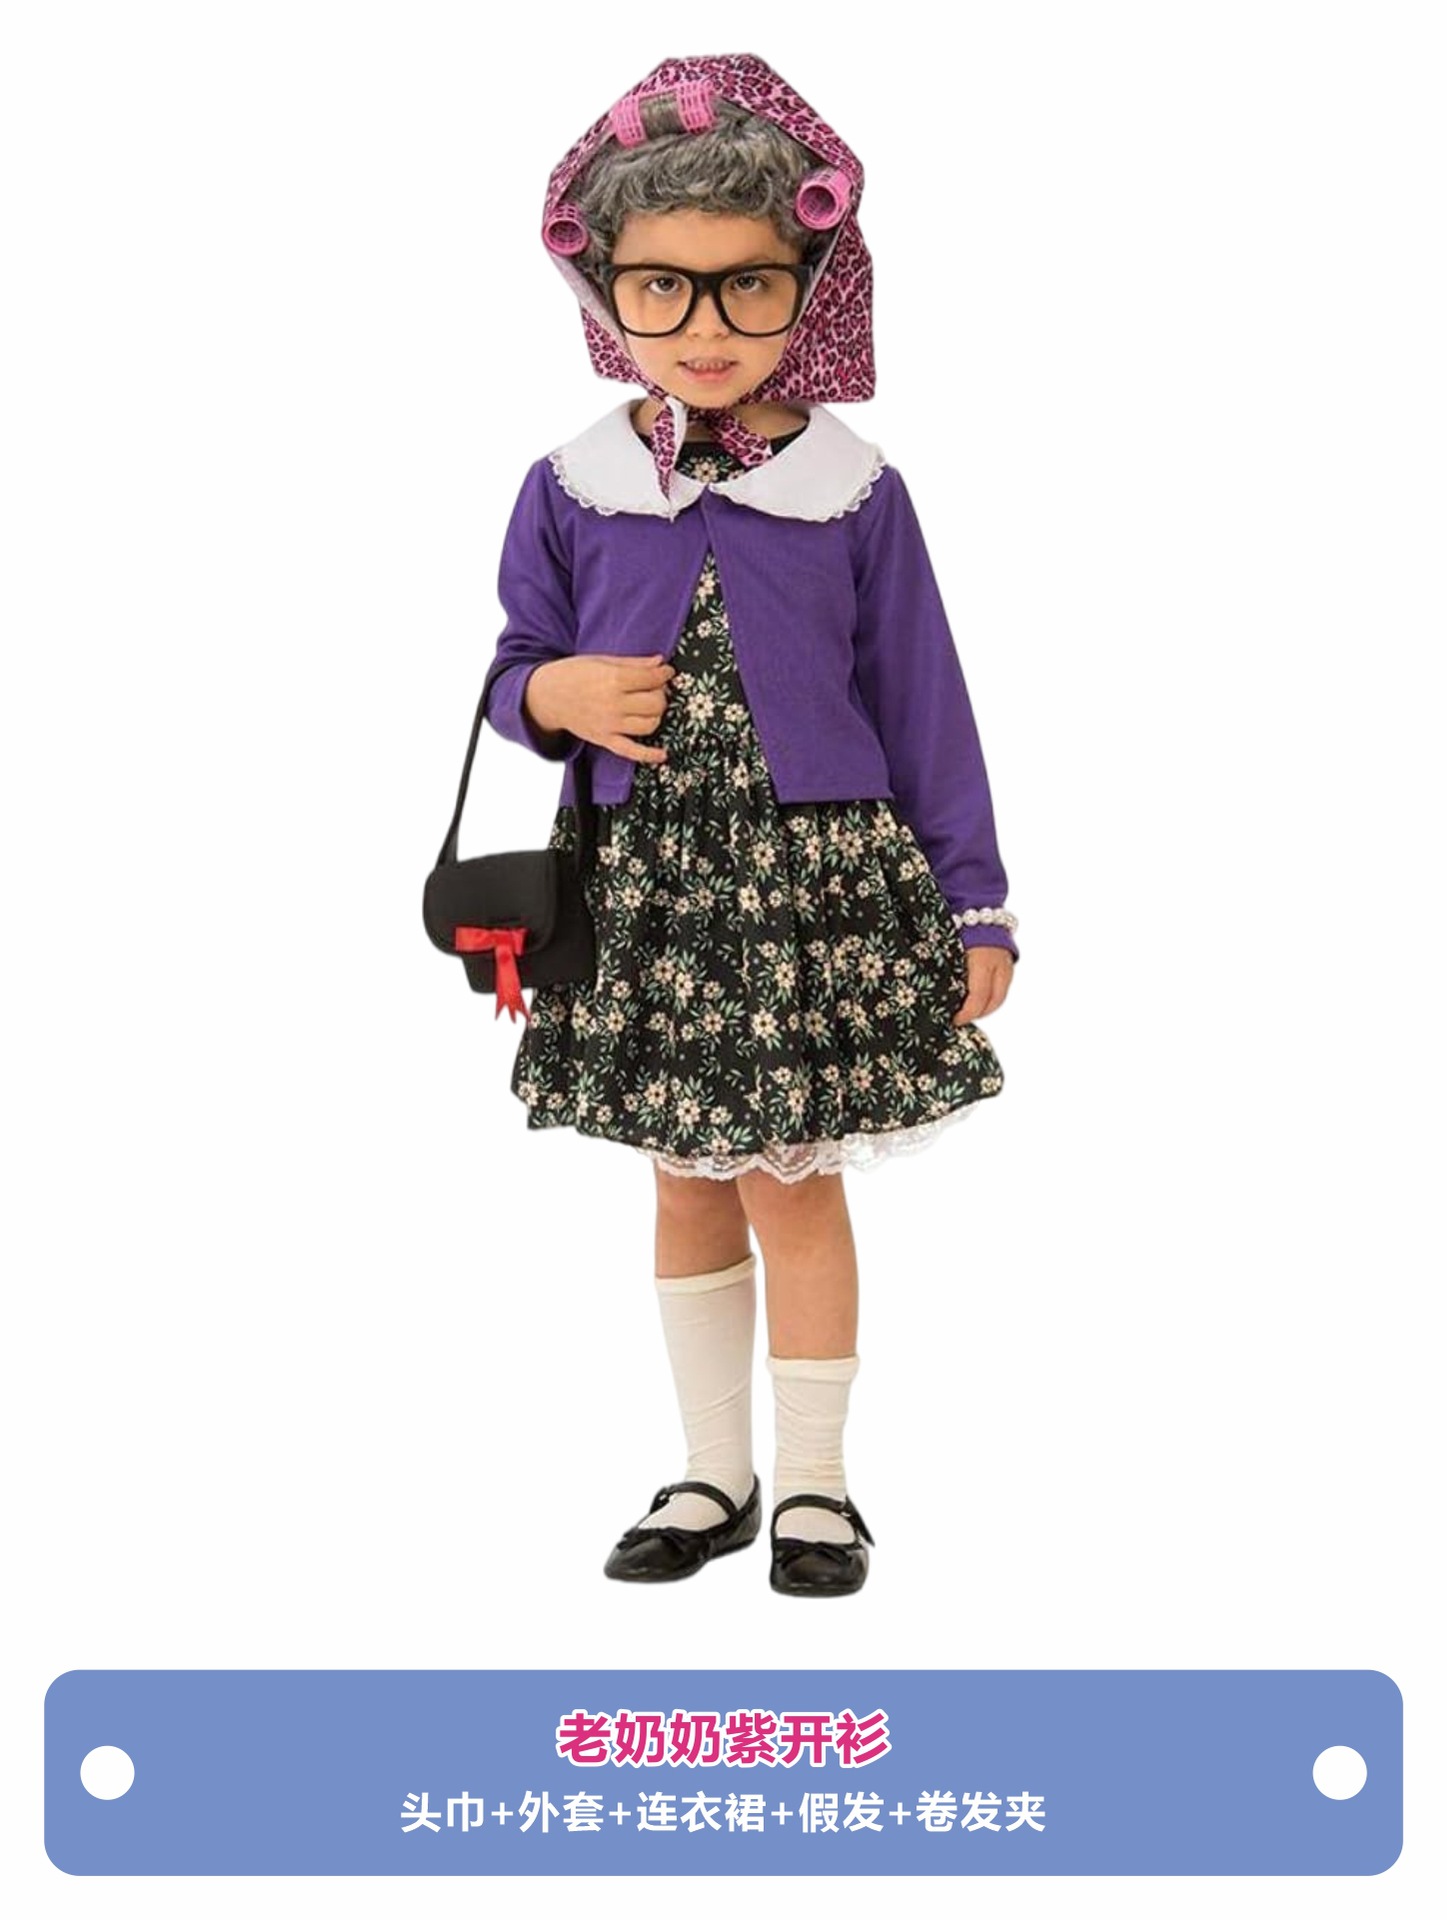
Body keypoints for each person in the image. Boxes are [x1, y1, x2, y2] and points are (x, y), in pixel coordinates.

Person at [476, 54, 1018, 1597]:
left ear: (807, 287)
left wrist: (974, 902)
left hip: (811, 895)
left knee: (794, 1177)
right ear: (605, 290)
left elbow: (923, 700)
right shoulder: (574, 486)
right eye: (663, 287)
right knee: (681, 1174)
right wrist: (556, 693)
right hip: (645, 885)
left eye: (746, 287)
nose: (704, 327)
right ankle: (713, 1472)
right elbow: (513, 670)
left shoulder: (852, 491)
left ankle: (819, 1489)